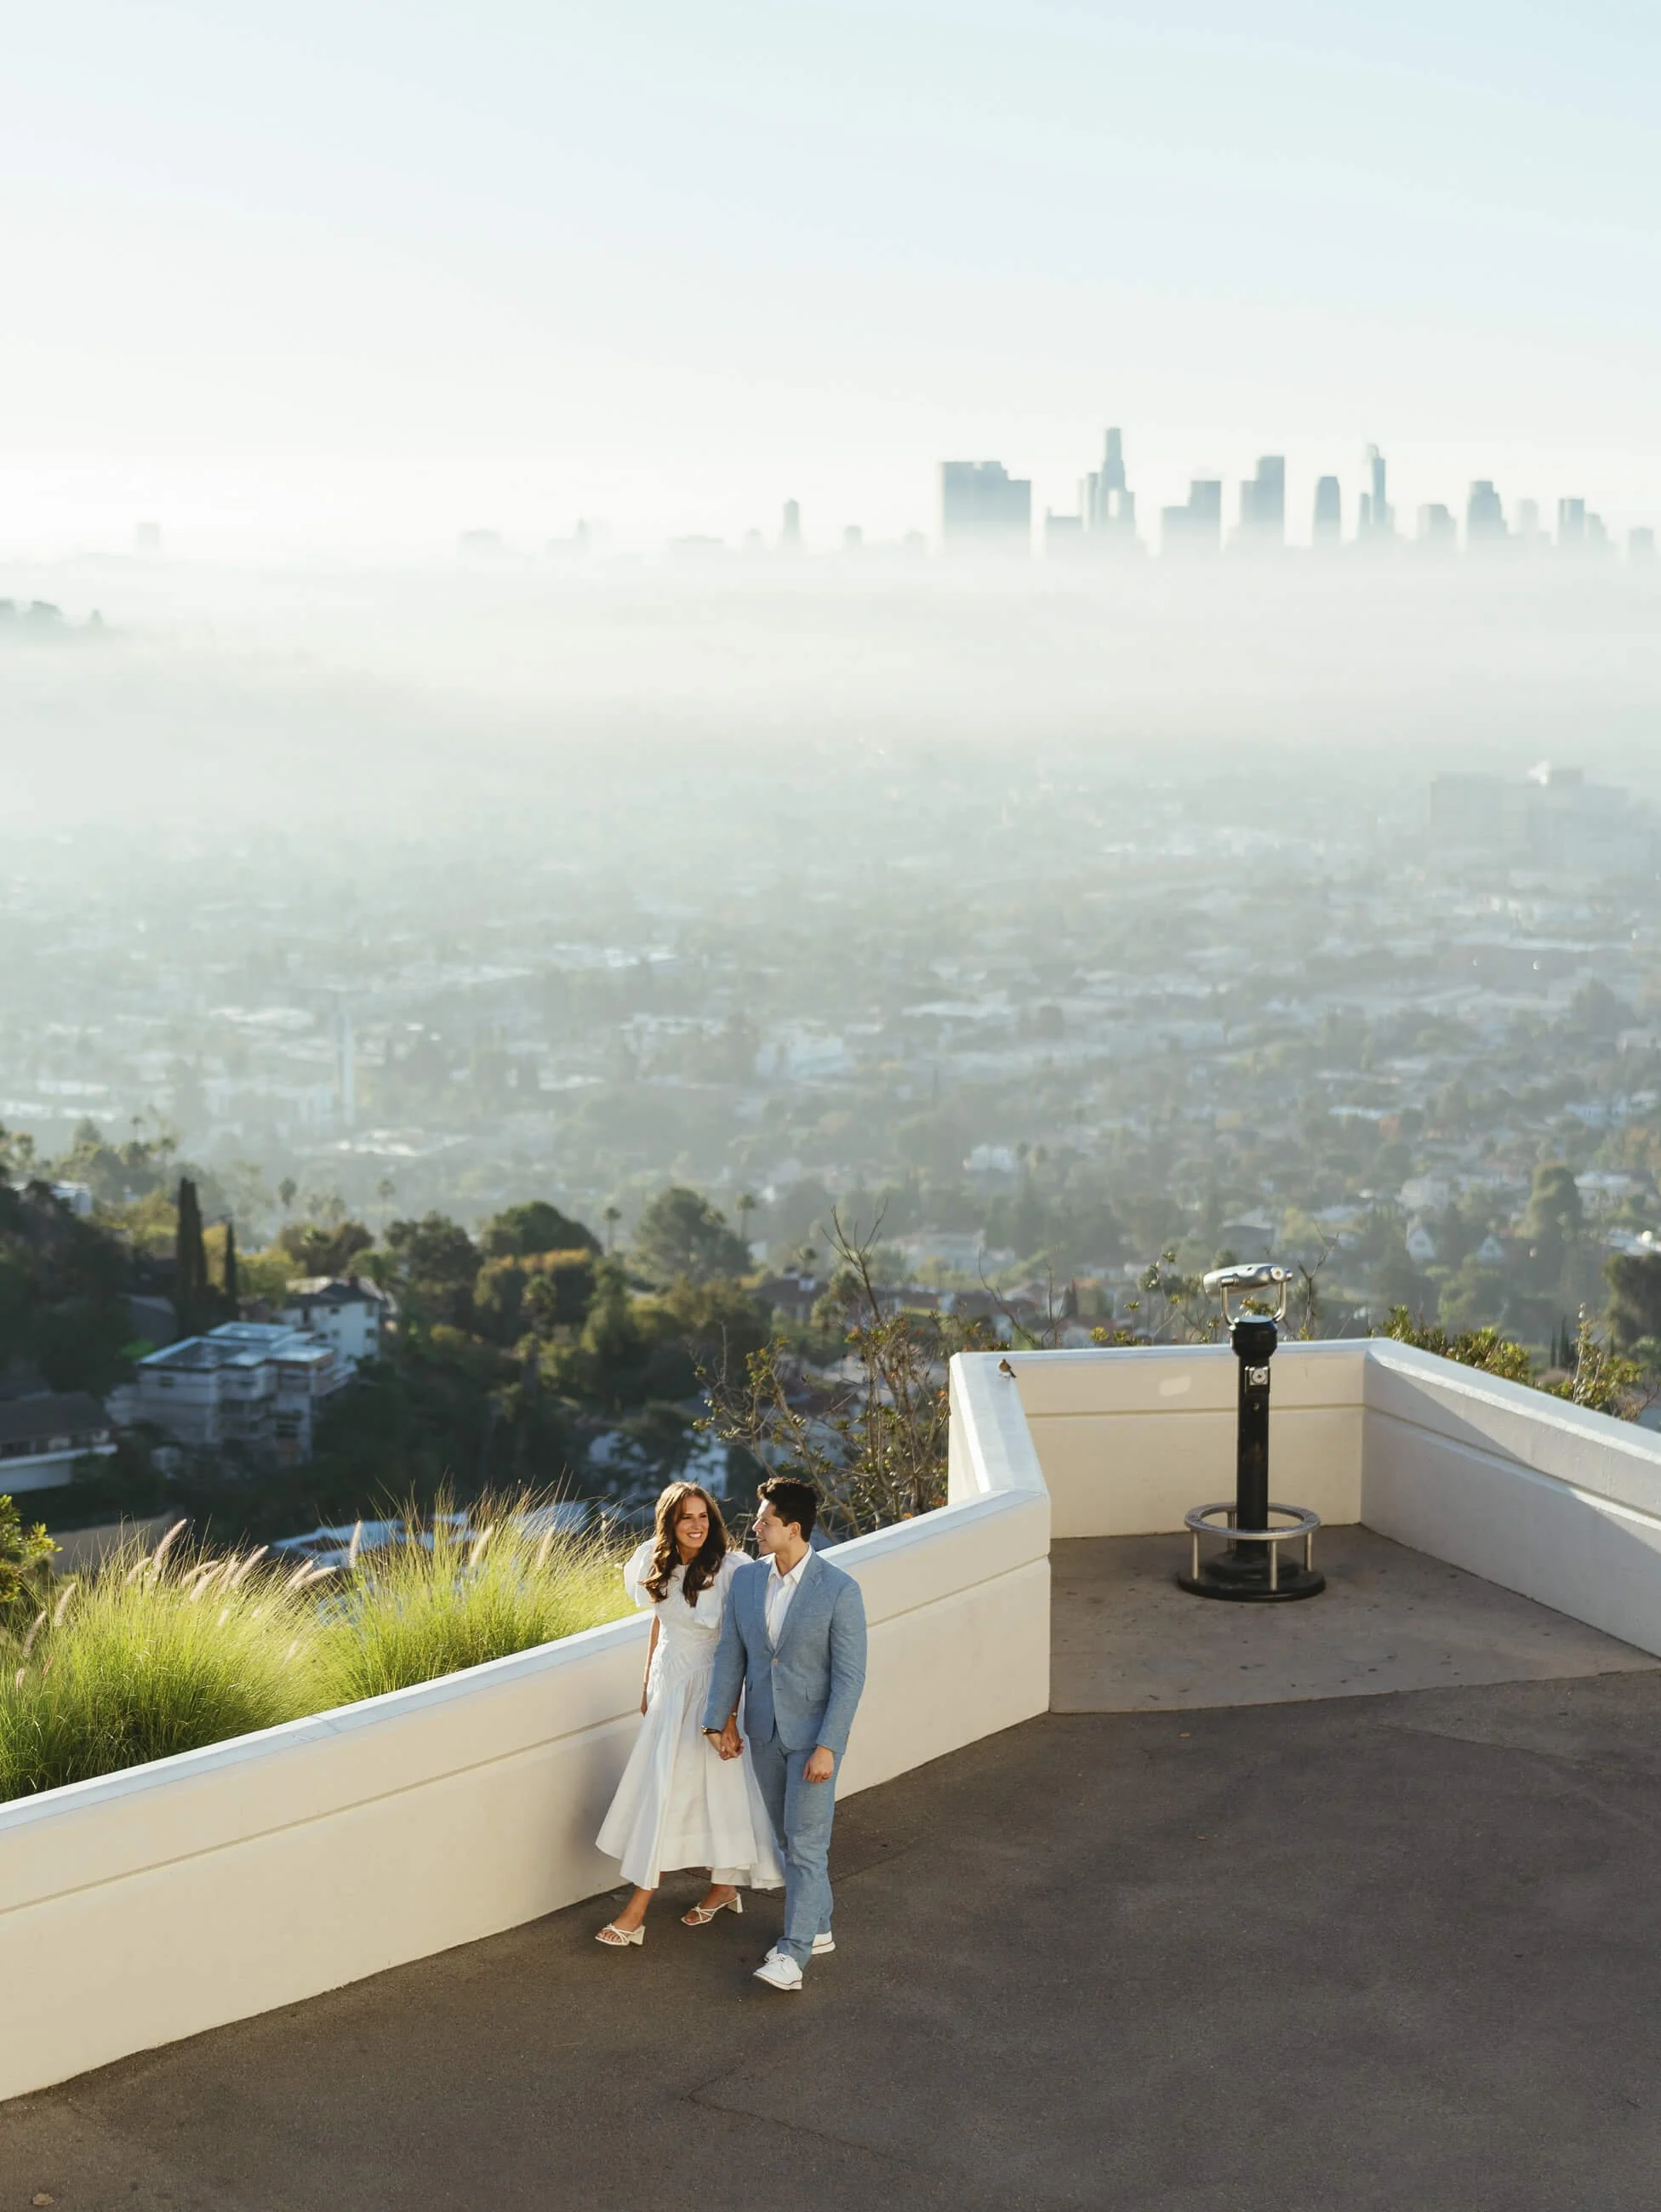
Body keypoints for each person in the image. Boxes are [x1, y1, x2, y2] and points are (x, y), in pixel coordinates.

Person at [595, 1482, 782, 1947]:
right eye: (686, 1518)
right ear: (670, 1524)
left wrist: (729, 1716)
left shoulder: (731, 1570)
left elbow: (737, 1646)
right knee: (704, 1792)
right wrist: (646, 1682)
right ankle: (723, 1887)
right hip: (668, 1687)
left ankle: (637, 1911)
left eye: (704, 1516)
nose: (697, 1525)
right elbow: (660, 1619)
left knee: (674, 1791)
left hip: (708, 1691)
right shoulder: (654, 1562)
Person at [703, 1475, 867, 1993]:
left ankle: (792, 1957)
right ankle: (818, 1927)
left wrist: (829, 1746)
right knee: (786, 1838)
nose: (755, 1528)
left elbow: (849, 1677)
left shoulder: (840, 1589)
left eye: (765, 1522)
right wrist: (719, 1718)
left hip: (813, 1739)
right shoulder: (749, 1582)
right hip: (763, 1732)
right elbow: (733, 1652)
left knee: (805, 1847)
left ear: (793, 1529)